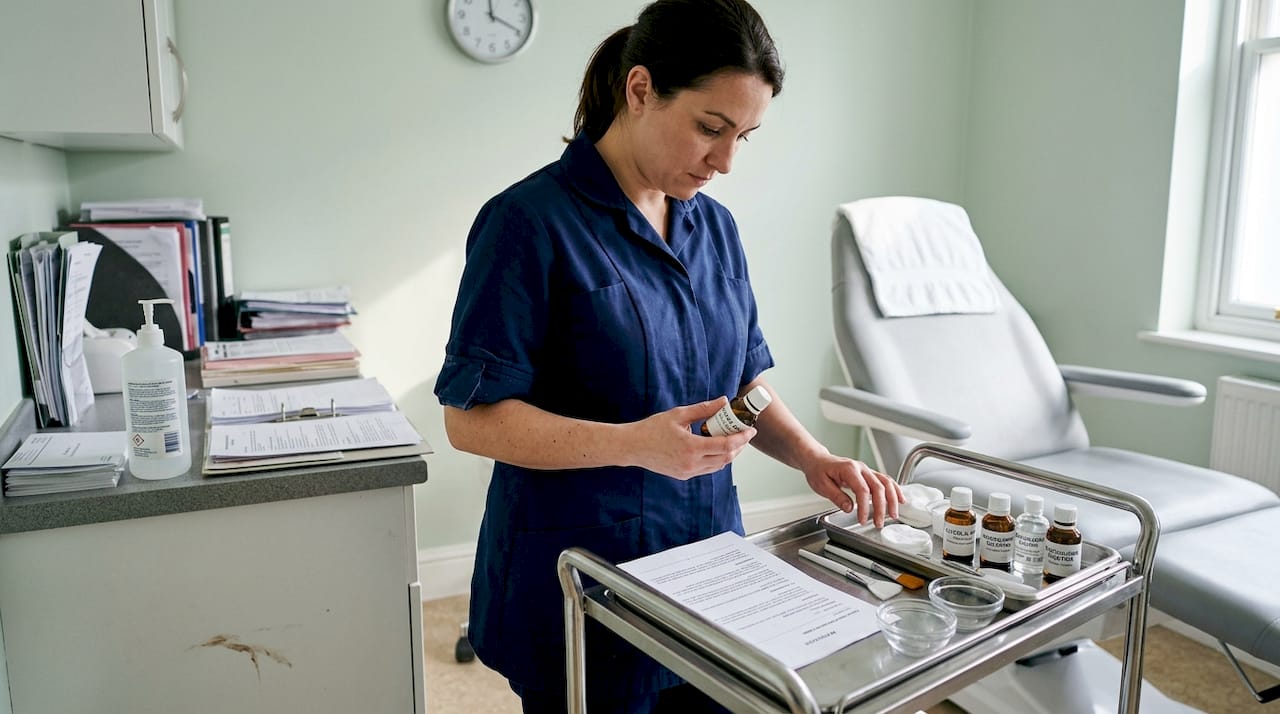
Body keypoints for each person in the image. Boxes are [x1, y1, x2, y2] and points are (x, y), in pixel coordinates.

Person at [435, 0, 903, 711]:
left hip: (709, 568)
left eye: (745, 136)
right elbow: (471, 421)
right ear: (640, 89)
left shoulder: (715, 229)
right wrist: (633, 445)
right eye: (710, 129)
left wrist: (813, 458)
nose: (725, 161)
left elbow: (744, 384)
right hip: (585, 577)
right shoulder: (527, 223)